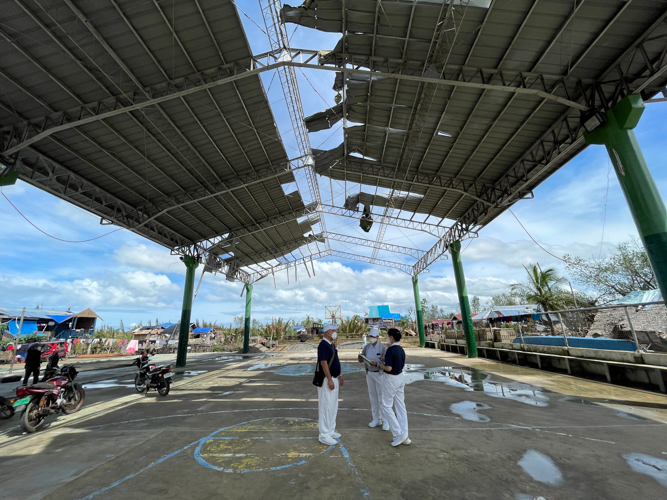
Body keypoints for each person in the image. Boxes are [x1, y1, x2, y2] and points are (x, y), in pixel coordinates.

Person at [379, 328, 410, 447]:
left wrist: (381, 364)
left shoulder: (390, 350)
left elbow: (388, 368)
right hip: (400, 377)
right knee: (400, 406)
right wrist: (385, 360)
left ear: (391, 337)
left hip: (391, 378)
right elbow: (396, 362)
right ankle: (405, 433)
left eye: (388, 336)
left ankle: (397, 433)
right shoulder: (401, 349)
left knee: (386, 405)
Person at [317, 324, 343, 446]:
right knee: (325, 406)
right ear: (327, 332)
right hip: (327, 379)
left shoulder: (331, 345)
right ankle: (324, 434)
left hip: (334, 378)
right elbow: (323, 363)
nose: (335, 332)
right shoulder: (323, 345)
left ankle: (330, 430)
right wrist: (329, 379)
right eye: (334, 330)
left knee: (333, 405)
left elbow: (335, 361)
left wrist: (339, 375)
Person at [358, 328, 389, 431]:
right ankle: (376, 418)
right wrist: (361, 357)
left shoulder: (382, 348)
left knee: (381, 397)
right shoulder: (367, 347)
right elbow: (360, 359)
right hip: (369, 373)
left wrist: (378, 364)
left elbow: (388, 362)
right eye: (370, 337)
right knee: (373, 396)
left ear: (377, 337)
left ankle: (385, 420)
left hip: (379, 374)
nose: (371, 339)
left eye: (373, 337)